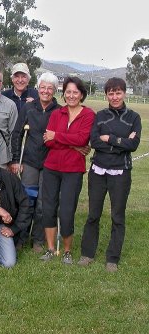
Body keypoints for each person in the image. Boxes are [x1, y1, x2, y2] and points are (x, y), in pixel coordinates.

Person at [78, 78, 141, 272]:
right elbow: (95, 142)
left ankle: (112, 258)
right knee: (93, 215)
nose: (114, 97)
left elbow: (133, 145)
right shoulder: (100, 115)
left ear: (124, 93)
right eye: (111, 93)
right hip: (98, 172)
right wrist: (121, 142)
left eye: (118, 93)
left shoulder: (134, 117)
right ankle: (87, 254)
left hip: (120, 173)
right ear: (106, 95)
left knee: (117, 216)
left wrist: (110, 139)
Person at [40, 76, 95, 264]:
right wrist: (72, 143)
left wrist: (59, 136)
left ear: (81, 94)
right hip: (51, 168)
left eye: (75, 92)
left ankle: (67, 251)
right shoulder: (57, 113)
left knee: (66, 210)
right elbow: (48, 140)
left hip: (73, 170)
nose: (71, 95)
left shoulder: (88, 115)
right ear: (64, 94)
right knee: (48, 208)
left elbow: (82, 139)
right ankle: (49, 248)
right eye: (68, 92)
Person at [9, 72, 61, 253]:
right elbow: (17, 135)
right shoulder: (29, 108)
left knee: (42, 204)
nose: (46, 91)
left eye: (50, 88)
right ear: (38, 88)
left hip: (50, 165)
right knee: (27, 201)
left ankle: (38, 239)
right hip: (29, 162)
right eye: (43, 87)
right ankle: (21, 237)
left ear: (55, 91)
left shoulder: (59, 111)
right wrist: (16, 159)